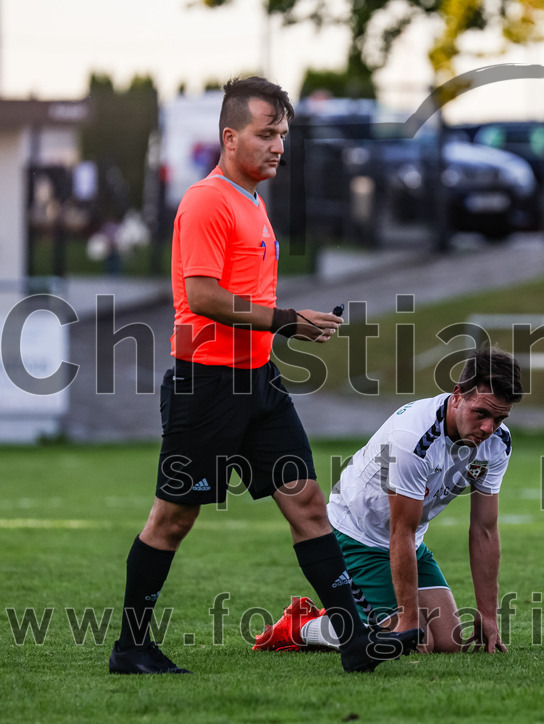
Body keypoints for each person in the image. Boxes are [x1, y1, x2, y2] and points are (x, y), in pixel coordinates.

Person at [108, 76, 422, 676]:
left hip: (258, 381)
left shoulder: (252, 200)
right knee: (173, 518)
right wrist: (286, 321)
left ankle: (355, 641)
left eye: (283, 134)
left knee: (306, 501)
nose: (278, 145)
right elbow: (201, 296)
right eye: (266, 133)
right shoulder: (207, 200)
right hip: (207, 385)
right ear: (230, 137)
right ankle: (130, 646)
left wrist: (280, 331)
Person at [253, 346, 522, 655]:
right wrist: (408, 621)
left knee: (449, 643)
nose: (489, 428)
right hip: (355, 537)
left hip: (409, 541)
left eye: (499, 418)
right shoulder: (414, 439)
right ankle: (303, 626)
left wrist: (488, 614)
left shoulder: (498, 443)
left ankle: (370, 619)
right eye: (482, 414)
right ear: (458, 395)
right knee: (411, 642)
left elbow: (485, 530)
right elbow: (400, 530)